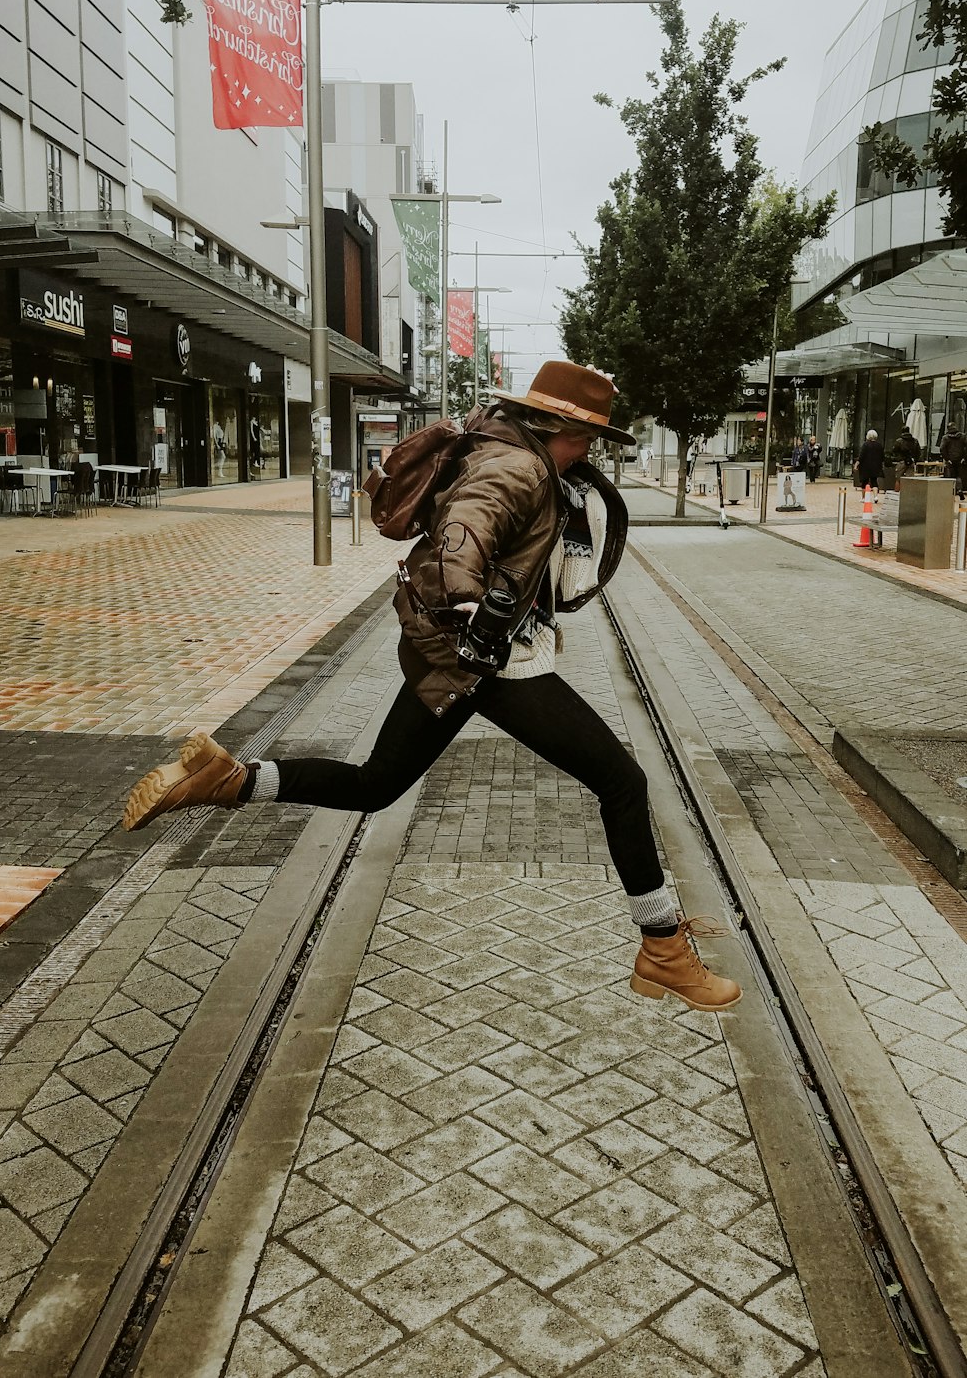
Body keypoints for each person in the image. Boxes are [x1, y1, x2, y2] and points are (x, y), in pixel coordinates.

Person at [122, 361, 741, 1012]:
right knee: (622, 781)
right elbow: (462, 538)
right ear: (560, 427)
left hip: (450, 659)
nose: (588, 452)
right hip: (485, 663)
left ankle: (227, 779)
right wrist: (477, 617)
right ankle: (663, 947)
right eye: (586, 439)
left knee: (375, 784)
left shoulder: (506, 449)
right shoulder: (516, 467)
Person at [940, 421, 966, 497]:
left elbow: (942, 449)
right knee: (958, 475)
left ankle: (952, 491)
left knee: (950, 476)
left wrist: (947, 459)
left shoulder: (945, 438)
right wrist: (964, 458)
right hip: (960, 459)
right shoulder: (962, 436)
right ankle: (960, 489)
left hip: (950, 459)